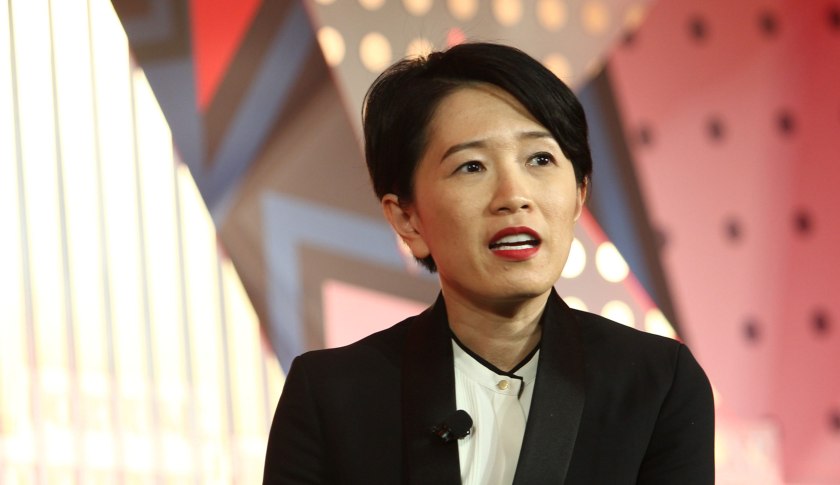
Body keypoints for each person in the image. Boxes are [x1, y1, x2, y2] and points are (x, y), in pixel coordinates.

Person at [263, 42, 714, 484]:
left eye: (540, 159)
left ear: (579, 195)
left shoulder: (657, 384)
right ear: (407, 219)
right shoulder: (330, 396)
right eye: (472, 167)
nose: (514, 196)